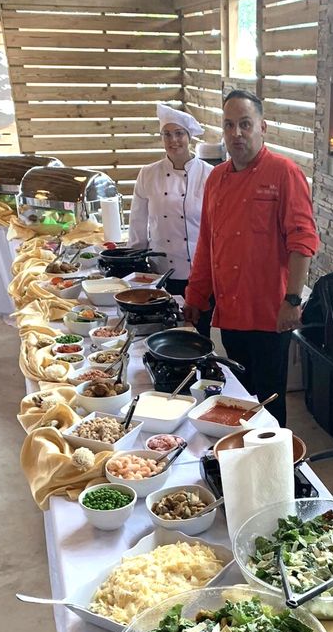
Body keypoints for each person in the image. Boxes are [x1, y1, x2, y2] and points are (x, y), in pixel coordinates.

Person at [183, 89, 319, 427]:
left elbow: (303, 242)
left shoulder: (284, 173)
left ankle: (275, 469)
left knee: (270, 403)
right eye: (229, 125)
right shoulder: (216, 179)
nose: (237, 133)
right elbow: (207, 245)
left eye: (245, 124)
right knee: (240, 399)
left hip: (271, 315)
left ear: (263, 127)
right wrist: (195, 298)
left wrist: (292, 300)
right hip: (231, 314)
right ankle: (239, 464)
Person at [127, 104, 214, 335]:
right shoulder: (148, 174)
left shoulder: (210, 175)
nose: (173, 140)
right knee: (163, 333)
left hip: (201, 274)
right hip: (161, 273)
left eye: (179, 134)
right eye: (167, 134)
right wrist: (134, 266)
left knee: (198, 335)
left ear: (189, 136)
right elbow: (137, 223)